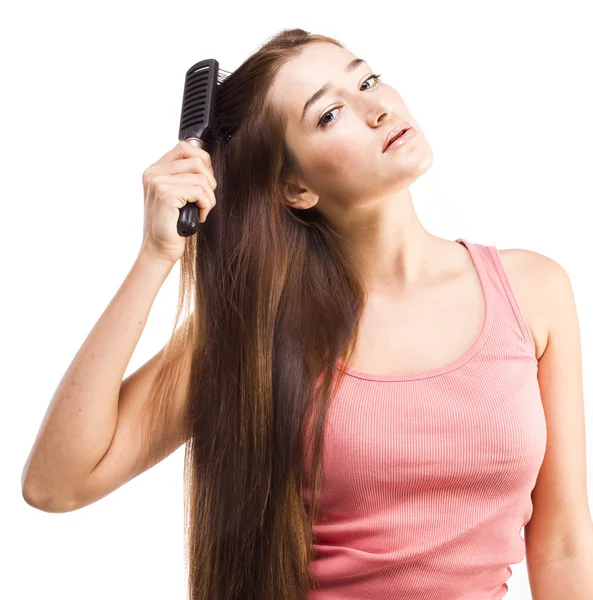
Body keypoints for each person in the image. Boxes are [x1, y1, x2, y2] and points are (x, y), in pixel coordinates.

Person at [21, 27, 592, 600]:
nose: (376, 107)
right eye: (329, 114)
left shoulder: (533, 291)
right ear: (295, 187)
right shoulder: (257, 329)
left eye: (367, 79)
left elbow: (563, 544)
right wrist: (156, 256)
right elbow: (56, 484)